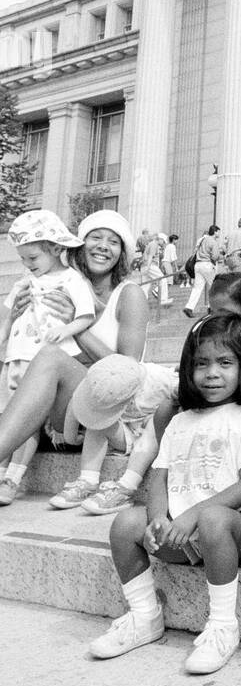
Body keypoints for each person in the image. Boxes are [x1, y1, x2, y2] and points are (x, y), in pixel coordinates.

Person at [89, 314, 241, 675]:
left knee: (211, 519)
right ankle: (145, 615)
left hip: (234, 525)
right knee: (125, 523)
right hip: (183, 527)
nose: (211, 373)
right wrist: (158, 517)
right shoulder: (178, 420)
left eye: (225, 363)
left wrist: (193, 515)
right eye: (201, 363)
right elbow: (158, 475)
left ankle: (223, 625)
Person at [0, 211, 147, 505]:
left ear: (122, 253)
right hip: (60, 407)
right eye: (95, 237)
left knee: (51, 356)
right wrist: (15, 318)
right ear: (79, 245)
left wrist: (78, 328)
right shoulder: (59, 283)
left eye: (113, 241)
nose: (103, 245)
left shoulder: (129, 294)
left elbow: (129, 370)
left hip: (107, 409)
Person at [0, 210, 95, 500]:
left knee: (28, 419)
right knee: (10, 415)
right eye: (23, 259)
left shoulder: (71, 279)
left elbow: (86, 316)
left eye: (33, 258)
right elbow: (9, 315)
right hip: (16, 357)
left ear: (55, 249)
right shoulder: (25, 280)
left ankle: (12, 480)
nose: (27, 264)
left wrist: (66, 331)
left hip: (43, 359)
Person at [52, 354, 178, 514]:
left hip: (153, 438)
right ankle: (87, 480)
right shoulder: (100, 379)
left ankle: (126, 487)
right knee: (96, 421)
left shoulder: (161, 380)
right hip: (126, 434)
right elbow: (75, 404)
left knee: (157, 419)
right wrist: (71, 437)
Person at [183, 225, 223, 318]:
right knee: (213, 287)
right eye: (219, 232)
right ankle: (211, 308)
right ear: (215, 232)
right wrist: (221, 257)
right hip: (207, 265)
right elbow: (214, 257)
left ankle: (189, 307)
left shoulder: (202, 240)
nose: (219, 234)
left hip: (198, 265)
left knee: (197, 288)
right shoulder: (213, 242)